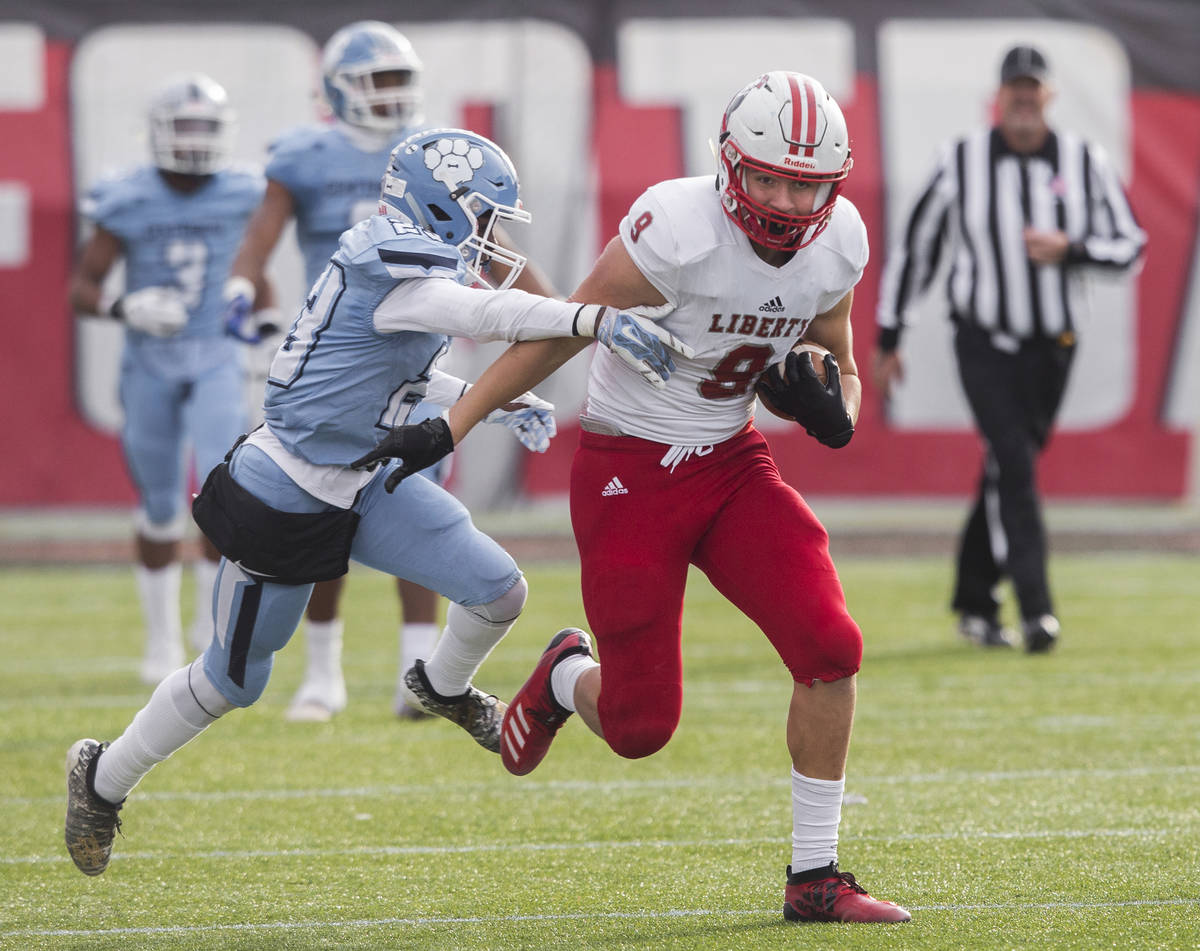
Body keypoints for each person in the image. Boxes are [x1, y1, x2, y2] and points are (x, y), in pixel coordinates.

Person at [355, 72, 911, 924]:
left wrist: (834, 410)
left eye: (805, 183)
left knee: (831, 643)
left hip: (731, 461)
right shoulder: (676, 229)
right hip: (628, 470)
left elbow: (838, 357)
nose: (786, 200)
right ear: (731, 167)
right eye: (768, 177)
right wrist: (455, 424)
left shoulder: (838, 239)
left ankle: (816, 875)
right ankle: (565, 671)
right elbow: (557, 328)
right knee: (641, 726)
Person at [63, 127, 689, 877]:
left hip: (367, 472)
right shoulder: (395, 268)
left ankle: (442, 686)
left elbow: (394, 377)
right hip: (289, 486)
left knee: (499, 591)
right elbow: (490, 318)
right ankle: (103, 776)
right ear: (442, 206)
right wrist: (592, 317)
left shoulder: (403, 262)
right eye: (483, 214)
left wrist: (489, 405)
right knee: (233, 680)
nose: (492, 235)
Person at [226, 20, 560, 723]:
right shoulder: (308, 156)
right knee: (319, 509)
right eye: (376, 80)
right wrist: (248, 300)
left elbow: (493, 245)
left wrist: (559, 312)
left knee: (424, 508)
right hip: (344, 358)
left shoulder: (436, 154)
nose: (389, 95)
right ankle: (323, 673)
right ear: (337, 90)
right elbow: (257, 246)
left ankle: (417, 671)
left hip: (418, 350)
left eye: (399, 81)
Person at [872, 45, 1146, 652]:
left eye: (1034, 90)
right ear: (999, 97)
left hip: (1054, 347)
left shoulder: (1083, 160)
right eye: (1014, 90)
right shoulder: (961, 161)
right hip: (983, 341)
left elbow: (1130, 244)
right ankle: (1036, 610)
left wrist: (1071, 248)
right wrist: (890, 336)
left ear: (1048, 96)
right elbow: (917, 251)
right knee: (1015, 468)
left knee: (1005, 468)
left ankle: (974, 603)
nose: (1024, 100)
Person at [69, 73, 268, 684]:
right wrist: (124, 307)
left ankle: (206, 636)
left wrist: (264, 320)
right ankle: (158, 640)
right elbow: (82, 287)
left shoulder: (241, 192)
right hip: (149, 362)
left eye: (204, 126)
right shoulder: (125, 197)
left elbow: (257, 271)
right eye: (182, 125)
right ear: (157, 132)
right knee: (158, 507)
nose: (192, 139)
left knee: (216, 496)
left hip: (214, 355)